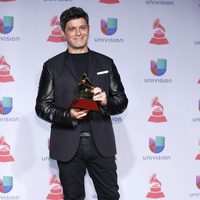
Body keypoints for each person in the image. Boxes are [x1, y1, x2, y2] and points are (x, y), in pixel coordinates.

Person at [35, 6, 128, 200]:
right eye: (72, 28)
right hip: (68, 143)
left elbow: (121, 101)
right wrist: (68, 115)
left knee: (110, 196)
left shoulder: (106, 63)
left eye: (82, 27)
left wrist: (105, 101)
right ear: (64, 32)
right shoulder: (52, 66)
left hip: (101, 142)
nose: (78, 33)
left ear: (89, 28)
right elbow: (42, 106)